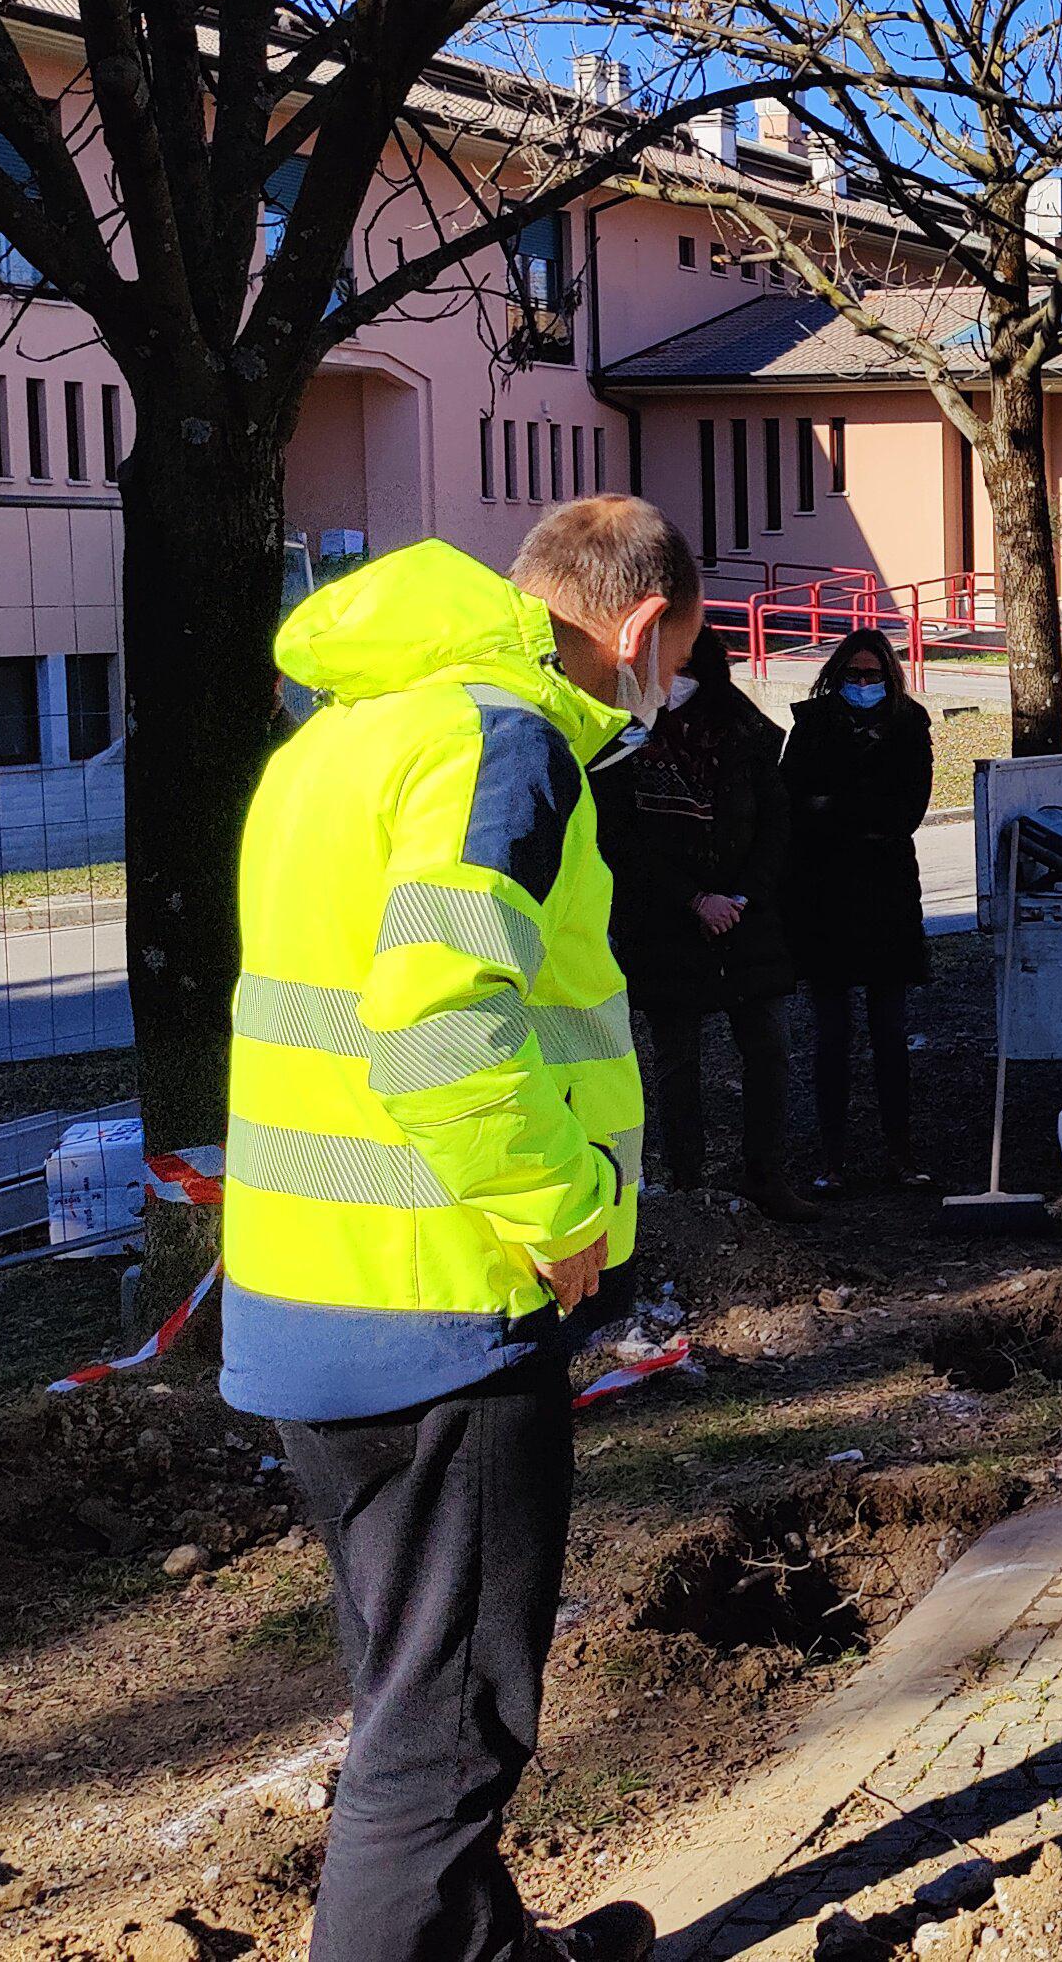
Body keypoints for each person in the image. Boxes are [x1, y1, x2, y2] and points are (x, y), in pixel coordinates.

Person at [218, 497, 696, 1962]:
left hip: (306, 1297)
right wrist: (565, 1213)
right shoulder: (504, 743)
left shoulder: (338, 740)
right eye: (674, 652)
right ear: (639, 631)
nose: (664, 682)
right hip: (442, 1306)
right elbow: (437, 1026)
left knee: (408, 1681)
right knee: (449, 1726)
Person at [593, 624, 811, 1223]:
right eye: (674, 663)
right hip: (665, 927)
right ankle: (687, 1185)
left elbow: (775, 823)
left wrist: (741, 896)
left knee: (768, 1052)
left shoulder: (746, 732)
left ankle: (767, 1176)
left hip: (746, 922)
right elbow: (621, 840)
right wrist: (694, 900)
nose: (682, 675)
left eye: (694, 662)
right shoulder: (625, 739)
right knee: (675, 1060)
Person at [785, 627, 938, 1193]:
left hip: (888, 898)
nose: (864, 684)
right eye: (855, 675)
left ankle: (901, 1152)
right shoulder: (812, 724)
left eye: (874, 675)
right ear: (837, 674)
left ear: (890, 676)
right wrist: (848, 813)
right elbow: (795, 801)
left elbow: (906, 809)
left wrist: (835, 806)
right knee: (830, 1038)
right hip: (825, 899)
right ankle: (832, 1159)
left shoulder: (908, 724)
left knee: (890, 1035)